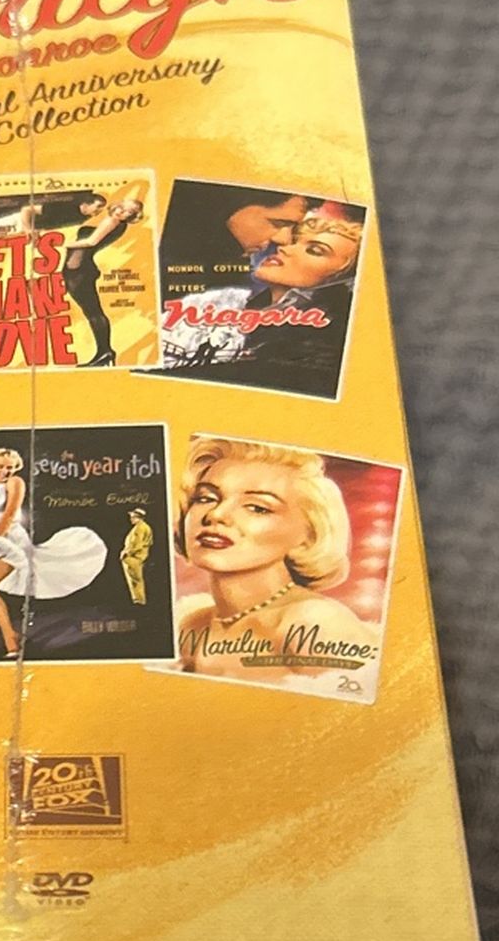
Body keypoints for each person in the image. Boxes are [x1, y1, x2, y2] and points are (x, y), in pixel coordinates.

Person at [172, 435, 377, 684]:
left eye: (257, 507)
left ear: (308, 535)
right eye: (205, 498)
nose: (216, 514)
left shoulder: (314, 624)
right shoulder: (191, 627)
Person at [160, 205, 365, 396]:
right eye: (295, 241)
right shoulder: (221, 302)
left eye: (315, 250)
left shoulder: (324, 341)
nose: (285, 248)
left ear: (342, 278)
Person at [0, 447, 108, 659]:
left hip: (9, 541)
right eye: (0, 467)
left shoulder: (15, 483)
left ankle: (10, 639)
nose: (5, 471)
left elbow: (8, 515)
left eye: (10, 467)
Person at [61, 186, 146, 368]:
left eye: (128, 211)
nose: (121, 211)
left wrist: (62, 244)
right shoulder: (116, 223)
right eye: (122, 207)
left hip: (79, 273)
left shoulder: (112, 221)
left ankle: (105, 353)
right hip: (79, 271)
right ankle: (105, 353)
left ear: (132, 216)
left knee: (93, 313)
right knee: (93, 312)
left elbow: (90, 241)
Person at [119, 506, 154, 605]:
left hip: (135, 557)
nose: (131, 519)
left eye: (133, 517)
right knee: (135, 579)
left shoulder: (140, 528)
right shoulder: (142, 527)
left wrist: (126, 553)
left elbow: (136, 544)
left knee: (135, 579)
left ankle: (139, 600)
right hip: (137, 556)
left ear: (139, 517)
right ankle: (138, 599)